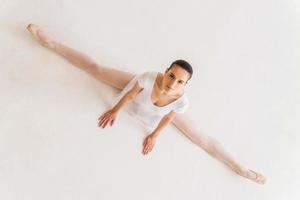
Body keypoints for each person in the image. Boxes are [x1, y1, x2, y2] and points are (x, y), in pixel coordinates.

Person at [26, 23, 266, 184]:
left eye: (180, 81)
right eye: (171, 76)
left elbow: (169, 118)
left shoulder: (180, 100)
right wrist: (114, 109)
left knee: (200, 138)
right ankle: (49, 42)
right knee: (95, 69)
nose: (173, 83)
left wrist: (154, 135)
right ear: (166, 71)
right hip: (137, 91)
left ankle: (239, 167)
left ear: (185, 84)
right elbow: (130, 93)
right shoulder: (150, 77)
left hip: (158, 112)